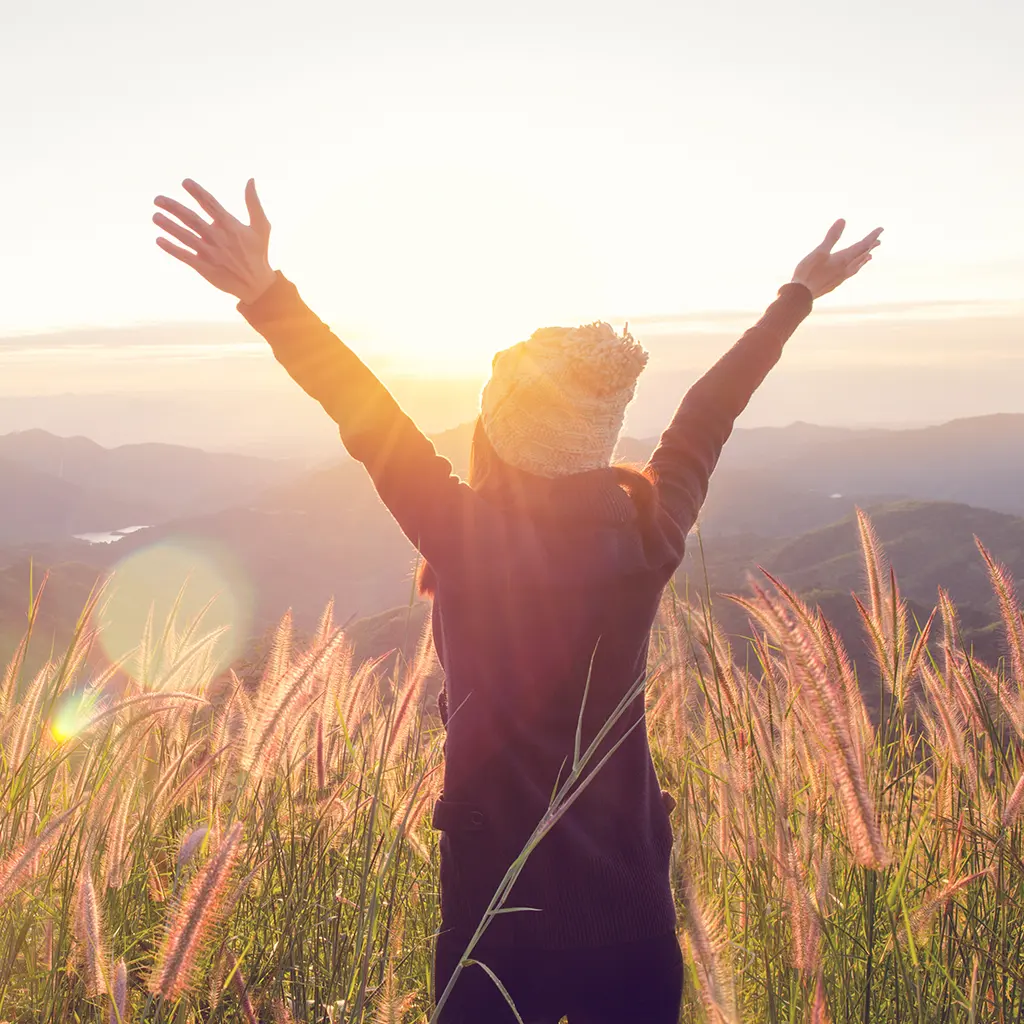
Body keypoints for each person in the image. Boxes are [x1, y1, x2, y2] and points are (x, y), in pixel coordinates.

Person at [153, 179, 881, 1024]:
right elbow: (706, 417)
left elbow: (366, 414)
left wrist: (268, 296)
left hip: (492, 924)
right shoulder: (650, 535)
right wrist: (796, 296)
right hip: (630, 914)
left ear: (496, 432)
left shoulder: (465, 536)